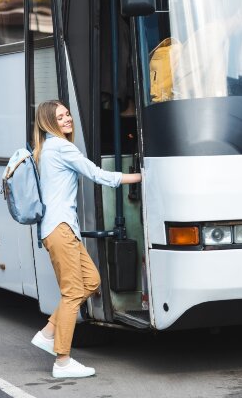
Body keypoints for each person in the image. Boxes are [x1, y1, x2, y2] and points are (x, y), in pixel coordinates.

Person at [29, 100, 142, 378]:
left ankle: (47, 333)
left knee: (91, 281)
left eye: (67, 114)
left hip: (61, 229)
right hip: (61, 229)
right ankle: (62, 361)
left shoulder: (46, 148)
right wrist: (139, 177)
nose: (67, 119)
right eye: (60, 116)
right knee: (71, 294)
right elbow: (97, 174)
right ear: (48, 122)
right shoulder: (62, 147)